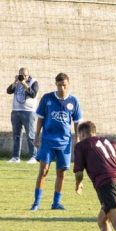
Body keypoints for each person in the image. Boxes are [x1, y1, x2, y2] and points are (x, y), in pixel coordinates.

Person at [31, 72, 82, 211]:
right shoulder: (47, 98)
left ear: (68, 84)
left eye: (64, 85)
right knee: (43, 171)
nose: (61, 88)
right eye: (59, 85)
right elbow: (40, 118)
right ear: (56, 84)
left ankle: (56, 203)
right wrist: (37, 136)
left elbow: (77, 122)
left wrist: (77, 139)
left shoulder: (73, 101)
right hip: (48, 140)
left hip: (65, 143)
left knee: (61, 173)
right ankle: (36, 203)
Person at [7, 67, 39, 164]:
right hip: (16, 111)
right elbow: (8, 91)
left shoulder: (33, 82)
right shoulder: (17, 82)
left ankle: (34, 156)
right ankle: (16, 157)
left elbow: (33, 94)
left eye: (25, 75)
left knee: (30, 135)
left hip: (28, 112)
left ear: (28, 75)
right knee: (16, 135)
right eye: (21, 75)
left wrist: (24, 83)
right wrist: (15, 82)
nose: (23, 77)